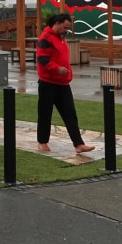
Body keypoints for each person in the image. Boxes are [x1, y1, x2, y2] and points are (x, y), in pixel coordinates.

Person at [35, 13, 95, 154]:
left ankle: (79, 144)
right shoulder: (45, 37)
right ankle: (42, 142)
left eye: (68, 28)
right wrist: (56, 69)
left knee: (70, 113)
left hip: (62, 83)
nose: (66, 30)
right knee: (45, 113)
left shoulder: (61, 38)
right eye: (65, 27)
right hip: (48, 83)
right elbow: (42, 58)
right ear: (57, 23)